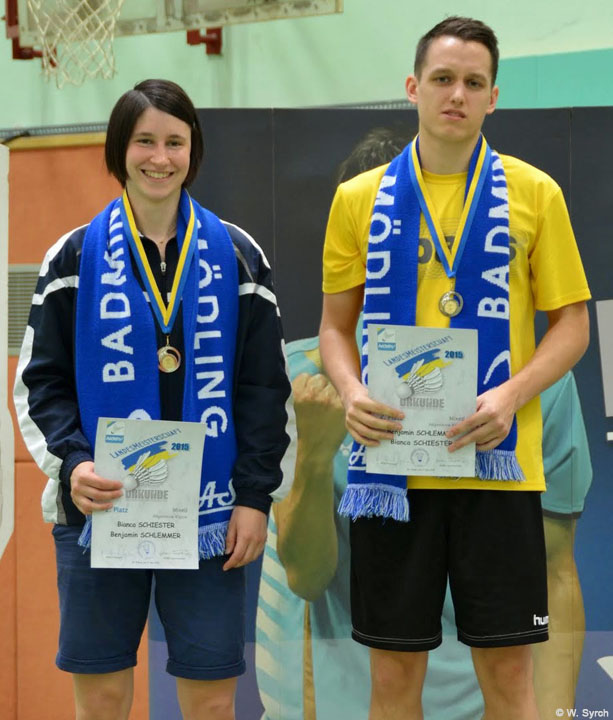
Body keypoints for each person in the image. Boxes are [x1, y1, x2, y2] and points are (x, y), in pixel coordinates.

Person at [319, 16, 590, 720]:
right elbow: (334, 327)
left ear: (493, 97)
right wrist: (349, 390)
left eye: (473, 82)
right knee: (391, 679)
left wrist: (511, 394)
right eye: (442, 78)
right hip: (393, 469)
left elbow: (572, 326)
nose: (456, 94)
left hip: (496, 464)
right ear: (413, 88)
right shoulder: (358, 198)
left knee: (508, 677)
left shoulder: (535, 192)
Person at [13, 79, 291, 720]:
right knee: (103, 698)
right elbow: (40, 382)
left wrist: (254, 497)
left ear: (193, 151)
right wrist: (73, 464)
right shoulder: (74, 255)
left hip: (211, 517)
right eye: (144, 141)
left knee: (211, 701)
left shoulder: (238, 255)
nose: (159, 158)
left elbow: (263, 389)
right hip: (99, 510)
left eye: (174, 142)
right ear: (119, 150)